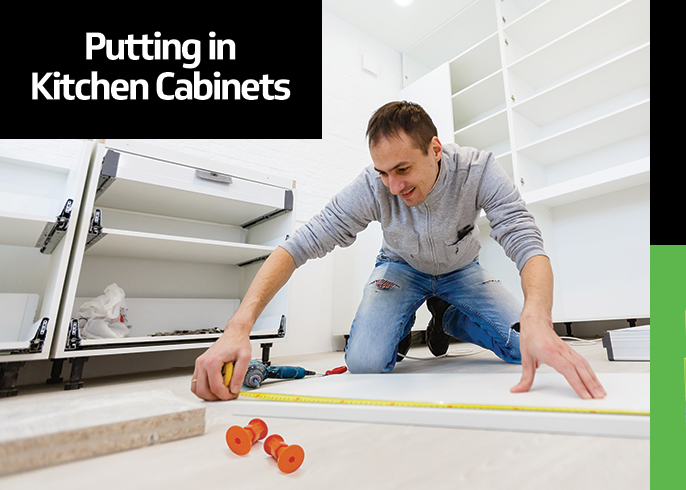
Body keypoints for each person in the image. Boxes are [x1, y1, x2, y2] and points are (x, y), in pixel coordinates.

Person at [191, 101, 606, 401]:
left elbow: (525, 240)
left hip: (463, 271)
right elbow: (298, 245)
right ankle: (400, 320)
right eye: (383, 173)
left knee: (526, 347)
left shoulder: (479, 170)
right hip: (399, 268)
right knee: (366, 362)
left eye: (403, 169)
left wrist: (538, 317)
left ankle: (451, 316)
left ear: (436, 150)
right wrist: (238, 328)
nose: (392, 186)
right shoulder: (373, 187)